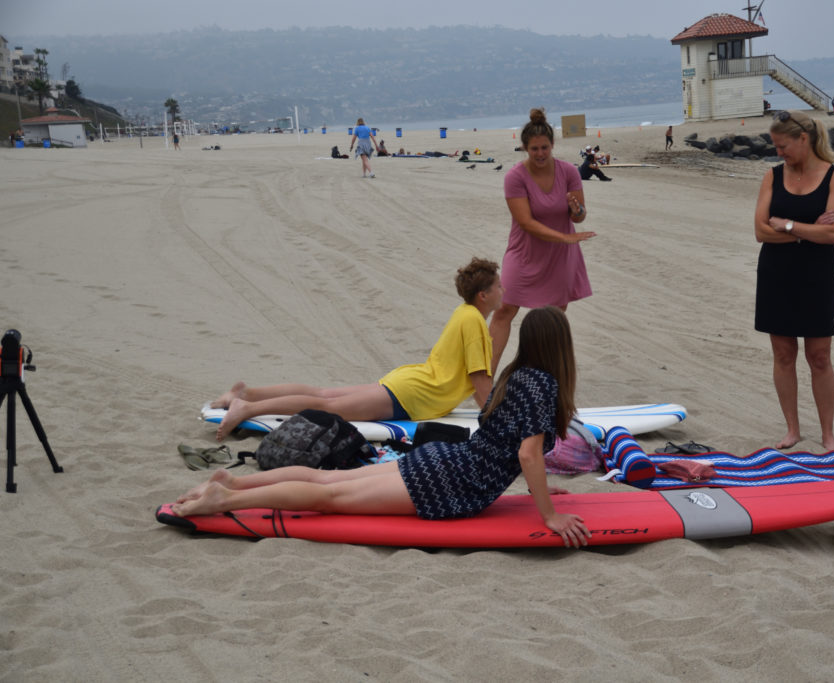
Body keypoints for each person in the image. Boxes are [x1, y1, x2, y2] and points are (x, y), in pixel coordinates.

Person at [173, 307, 592, 548]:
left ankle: (233, 485)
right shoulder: (544, 383)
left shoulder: (516, 374)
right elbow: (525, 452)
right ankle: (224, 499)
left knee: (327, 481)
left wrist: (539, 485)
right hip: (453, 481)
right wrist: (549, 514)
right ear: (561, 345)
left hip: (448, 460)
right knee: (330, 497)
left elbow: (504, 440)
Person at [210, 258, 503, 441]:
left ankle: (246, 393)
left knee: (323, 394)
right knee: (329, 407)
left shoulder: (464, 313)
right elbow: (480, 380)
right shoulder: (475, 322)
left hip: (411, 385)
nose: (503, 291)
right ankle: (247, 407)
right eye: (498, 286)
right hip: (414, 396)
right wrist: (497, 421)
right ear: (484, 295)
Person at [754, 110, 834, 452]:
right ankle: (792, 430)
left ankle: (828, 435)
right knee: (783, 354)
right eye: (776, 147)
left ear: (803, 139)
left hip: (816, 274)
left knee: (819, 356)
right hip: (776, 273)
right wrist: (809, 231)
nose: (779, 152)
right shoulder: (772, 177)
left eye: (783, 146)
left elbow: (833, 233)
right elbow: (760, 231)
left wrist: (789, 225)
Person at [490, 108, 597, 370]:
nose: (540, 154)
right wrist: (564, 237)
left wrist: (577, 210)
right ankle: (485, 373)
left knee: (553, 317)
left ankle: (544, 373)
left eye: (544, 148)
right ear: (525, 148)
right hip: (524, 252)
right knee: (504, 309)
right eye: (534, 149)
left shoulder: (569, 172)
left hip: (560, 255)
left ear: (552, 145)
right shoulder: (515, 177)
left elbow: (579, 216)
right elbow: (526, 223)